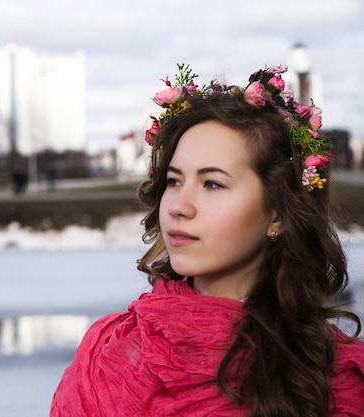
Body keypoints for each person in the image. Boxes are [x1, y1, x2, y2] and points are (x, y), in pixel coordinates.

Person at [50, 64, 364, 416]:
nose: (179, 207)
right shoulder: (107, 354)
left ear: (277, 214)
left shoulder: (342, 382)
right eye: (173, 180)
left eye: (212, 183)